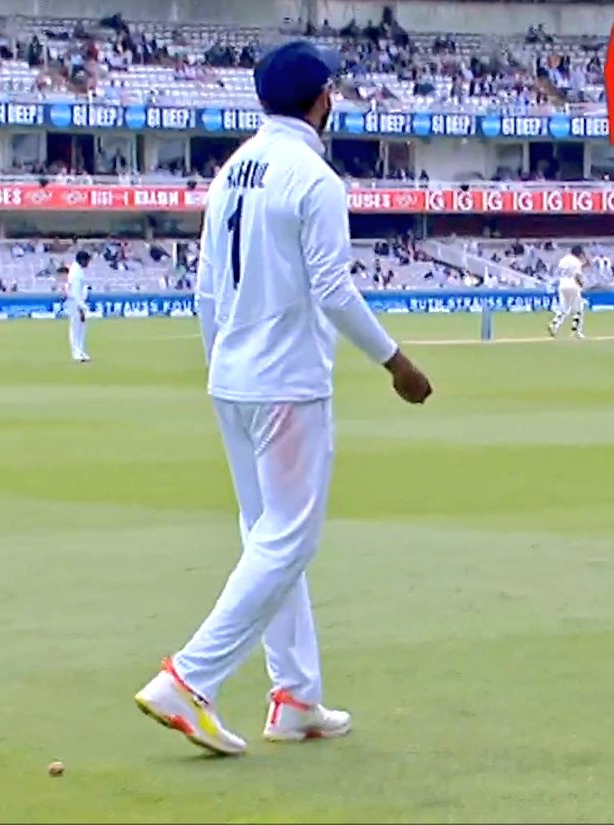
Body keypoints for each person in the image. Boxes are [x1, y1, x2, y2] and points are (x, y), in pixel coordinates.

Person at [134, 40, 432, 755]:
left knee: (268, 536)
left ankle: (295, 695)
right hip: (286, 383)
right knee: (287, 538)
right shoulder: (315, 177)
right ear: (321, 97)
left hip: (232, 376)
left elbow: (206, 288)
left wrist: (223, 366)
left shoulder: (232, 170)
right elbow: (333, 287)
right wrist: (396, 362)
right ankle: (190, 679)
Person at [548, 244, 588, 339]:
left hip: (562, 285)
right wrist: (582, 285)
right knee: (578, 310)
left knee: (563, 309)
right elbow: (577, 276)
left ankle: (554, 325)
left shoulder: (563, 260)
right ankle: (576, 331)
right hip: (572, 285)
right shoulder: (576, 262)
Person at [65, 250, 91, 362]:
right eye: (87, 261)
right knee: (76, 328)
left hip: (79, 301)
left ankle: (80, 350)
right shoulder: (75, 271)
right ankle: (76, 352)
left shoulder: (78, 270)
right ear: (82, 260)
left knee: (81, 328)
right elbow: (75, 291)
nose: (88, 263)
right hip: (75, 302)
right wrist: (80, 305)